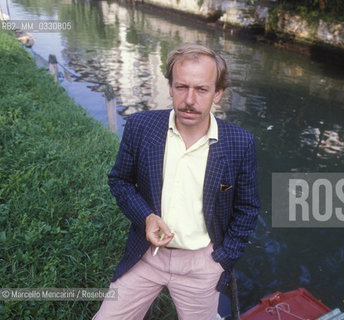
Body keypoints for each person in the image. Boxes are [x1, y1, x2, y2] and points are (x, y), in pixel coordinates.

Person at [93, 44, 260, 319]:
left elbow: (248, 208)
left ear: (218, 93)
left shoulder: (240, 143)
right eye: (181, 87)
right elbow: (120, 181)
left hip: (201, 264)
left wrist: (224, 259)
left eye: (202, 89)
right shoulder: (140, 127)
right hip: (145, 256)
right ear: (170, 87)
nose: (189, 100)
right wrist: (146, 218)